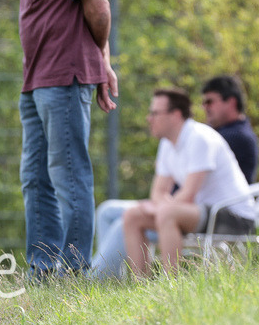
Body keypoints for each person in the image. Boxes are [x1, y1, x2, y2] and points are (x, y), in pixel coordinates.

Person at [15, 0, 118, 276]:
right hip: (37, 79)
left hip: (64, 77)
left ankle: (74, 273)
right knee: (35, 178)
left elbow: (98, 8)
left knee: (68, 176)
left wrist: (99, 62)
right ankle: (42, 271)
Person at [90, 76, 259, 278]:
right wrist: (157, 205)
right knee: (133, 215)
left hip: (233, 217)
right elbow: (158, 191)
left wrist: (159, 207)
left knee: (167, 213)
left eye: (155, 113)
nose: (149, 118)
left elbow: (188, 194)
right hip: (203, 212)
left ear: (175, 115)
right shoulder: (167, 143)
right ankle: (140, 284)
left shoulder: (200, 138)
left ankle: (171, 283)